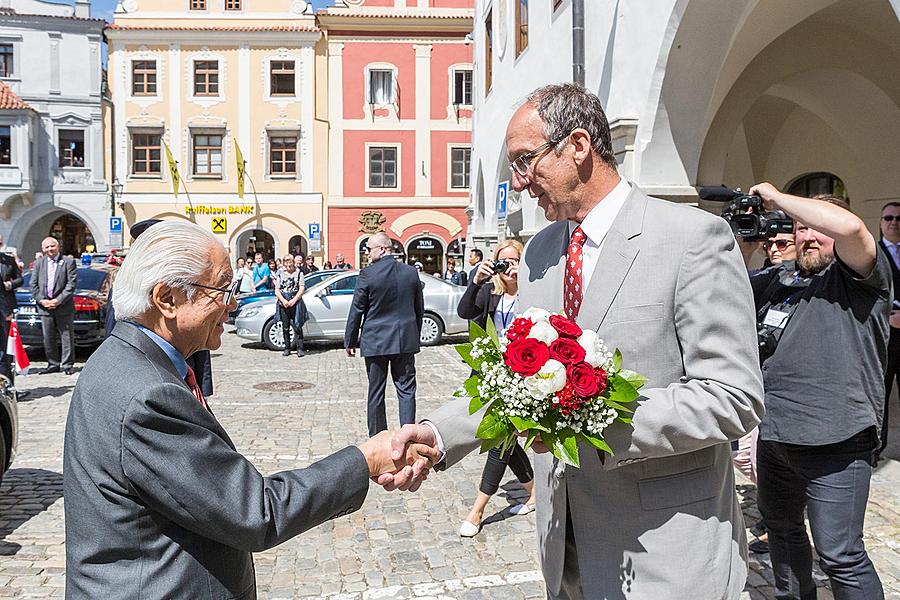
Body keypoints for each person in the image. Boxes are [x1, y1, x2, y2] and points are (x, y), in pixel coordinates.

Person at [381, 83, 764, 600]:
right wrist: (435, 433)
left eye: (524, 162)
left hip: (665, 551)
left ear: (578, 146)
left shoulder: (692, 238)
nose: (519, 184)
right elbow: (517, 384)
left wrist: (585, 421)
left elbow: (732, 397)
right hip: (564, 547)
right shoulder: (540, 251)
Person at [62, 220, 438, 599]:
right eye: (222, 289)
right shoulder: (148, 394)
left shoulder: (122, 358)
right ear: (167, 299)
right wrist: (366, 458)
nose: (232, 302)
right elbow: (254, 511)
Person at [745, 186, 888, 600]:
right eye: (800, 228)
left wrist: (776, 195)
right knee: (784, 533)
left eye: (816, 228)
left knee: (840, 554)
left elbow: (850, 228)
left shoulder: (861, 279)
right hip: (775, 435)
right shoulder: (780, 280)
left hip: (837, 440)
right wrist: (744, 237)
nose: (807, 236)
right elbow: (722, 281)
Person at [456, 239, 535, 538]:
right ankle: (532, 491)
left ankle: (477, 509)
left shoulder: (531, 293)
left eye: (515, 260)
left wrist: (525, 278)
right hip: (493, 375)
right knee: (506, 437)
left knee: (500, 438)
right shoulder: (491, 293)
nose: (509, 267)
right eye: (504, 262)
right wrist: (475, 281)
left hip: (523, 376)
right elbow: (466, 313)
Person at [345, 232, 424, 437]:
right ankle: (408, 436)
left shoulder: (368, 274)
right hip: (404, 339)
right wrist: (414, 335)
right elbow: (419, 309)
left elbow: (357, 309)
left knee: (376, 392)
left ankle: (377, 437)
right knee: (406, 391)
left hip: (376, 340)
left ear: (382, 248)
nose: (367, 253)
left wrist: (350, 340)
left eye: (369, 249)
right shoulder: (410, 272)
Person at [31, 237, 78, 375]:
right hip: (45, 307)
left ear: (58, 247)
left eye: (52, 246)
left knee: (66, 336)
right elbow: (33, 285)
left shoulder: (68, 262)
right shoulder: (39, 263)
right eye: (47, 247)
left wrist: (58, 300)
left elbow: (71, 284)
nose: (50, 249)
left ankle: (68, 364)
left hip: (63, 306)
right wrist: (42, 300)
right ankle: (53, 364)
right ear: (43, 249)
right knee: (48, 337)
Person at [877, 201, 900, 462]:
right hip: (884, 336)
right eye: (889, 217)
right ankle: (877, 448)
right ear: (881, 222)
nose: (894, 222)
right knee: (880, 392)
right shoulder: (874, 253)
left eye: (898, 218)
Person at [0, 236, 23, 381]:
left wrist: (10, 285)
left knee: (7, 349)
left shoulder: (8, 260)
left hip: (6, 309)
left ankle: (8, 384)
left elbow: (20, 279)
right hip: (3, 309)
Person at [274, 254, 305, 357]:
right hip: (284, 303)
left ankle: (300, 348)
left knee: (297, 326)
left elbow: (301, 288)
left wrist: (294, 300)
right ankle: (287, 348)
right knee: (285, 327)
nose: (288, 264)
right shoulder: (280, 274)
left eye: (290, 261)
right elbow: (277, 290)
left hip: (296, 302)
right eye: (286, 262)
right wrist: (283, 301)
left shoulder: (299, 273)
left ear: (293, 262)